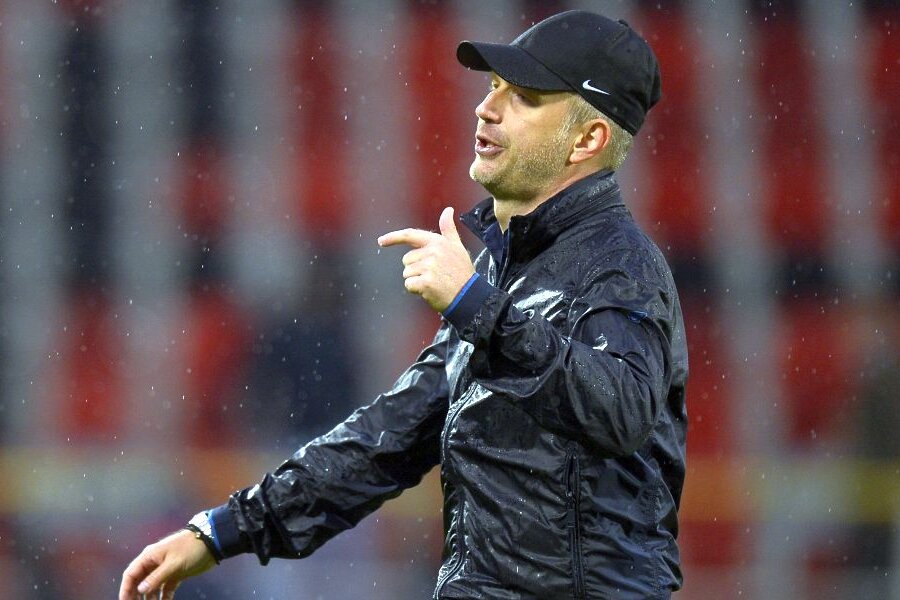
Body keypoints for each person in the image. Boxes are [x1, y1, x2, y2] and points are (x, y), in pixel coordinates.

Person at [120, 10, 688, 599]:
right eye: (493, 86)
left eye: (523, 96)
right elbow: (389, 436)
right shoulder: (502, 273)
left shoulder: (621, 266)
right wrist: (222, 530)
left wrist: (476, 306)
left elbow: (621, 411)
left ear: (588, 140)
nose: (485, 108)